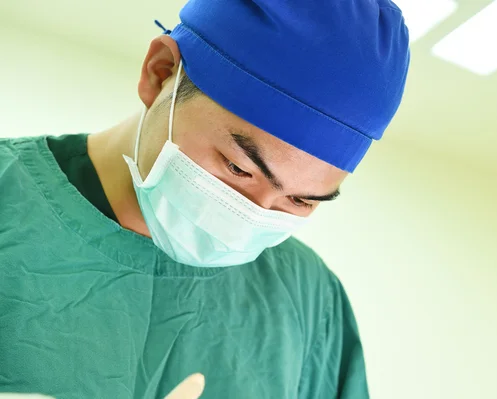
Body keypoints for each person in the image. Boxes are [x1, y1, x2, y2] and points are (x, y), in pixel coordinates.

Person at [0, 0, 410, 397]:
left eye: (301, 200)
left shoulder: (308, 297)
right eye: (237, 168)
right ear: (160, 74)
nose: (252, 215)